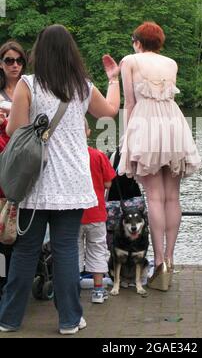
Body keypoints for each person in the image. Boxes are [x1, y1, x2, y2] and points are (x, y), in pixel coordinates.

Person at [0, 24, 120, 335]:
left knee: (26, 251)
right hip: (73, 182)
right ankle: (69, 320)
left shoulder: (28, 84)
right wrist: (114, 80)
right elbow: (110, 111)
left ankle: (10, 318)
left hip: (36, 181)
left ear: (38, 51)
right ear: (70, 52)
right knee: (66, 250)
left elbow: (14, 130)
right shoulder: (81, 86)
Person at [117, 21, 201, 291]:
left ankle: (159, 261)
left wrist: (127, 136)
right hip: (173, 124)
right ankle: (170, 261)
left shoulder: (129, 60)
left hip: (146, 123)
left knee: (153, 195)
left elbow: (129, 102)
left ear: (138, 41)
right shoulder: (171, 63)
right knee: (172, 196)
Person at [0, 41, 27, 298]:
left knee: (18, 232)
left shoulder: (29, 89)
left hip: (21, 164)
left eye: (19, 61)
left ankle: (14, 287)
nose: (15, 65)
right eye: (9, 60)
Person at [79, 119, 116, 304]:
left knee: (73, 251)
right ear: (88, 132)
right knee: (97, 249)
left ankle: (73, 288)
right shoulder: (98, 155)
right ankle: (98, 290)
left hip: (73, 215)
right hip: (96, 213)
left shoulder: (66, 156)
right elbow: (109, 182)